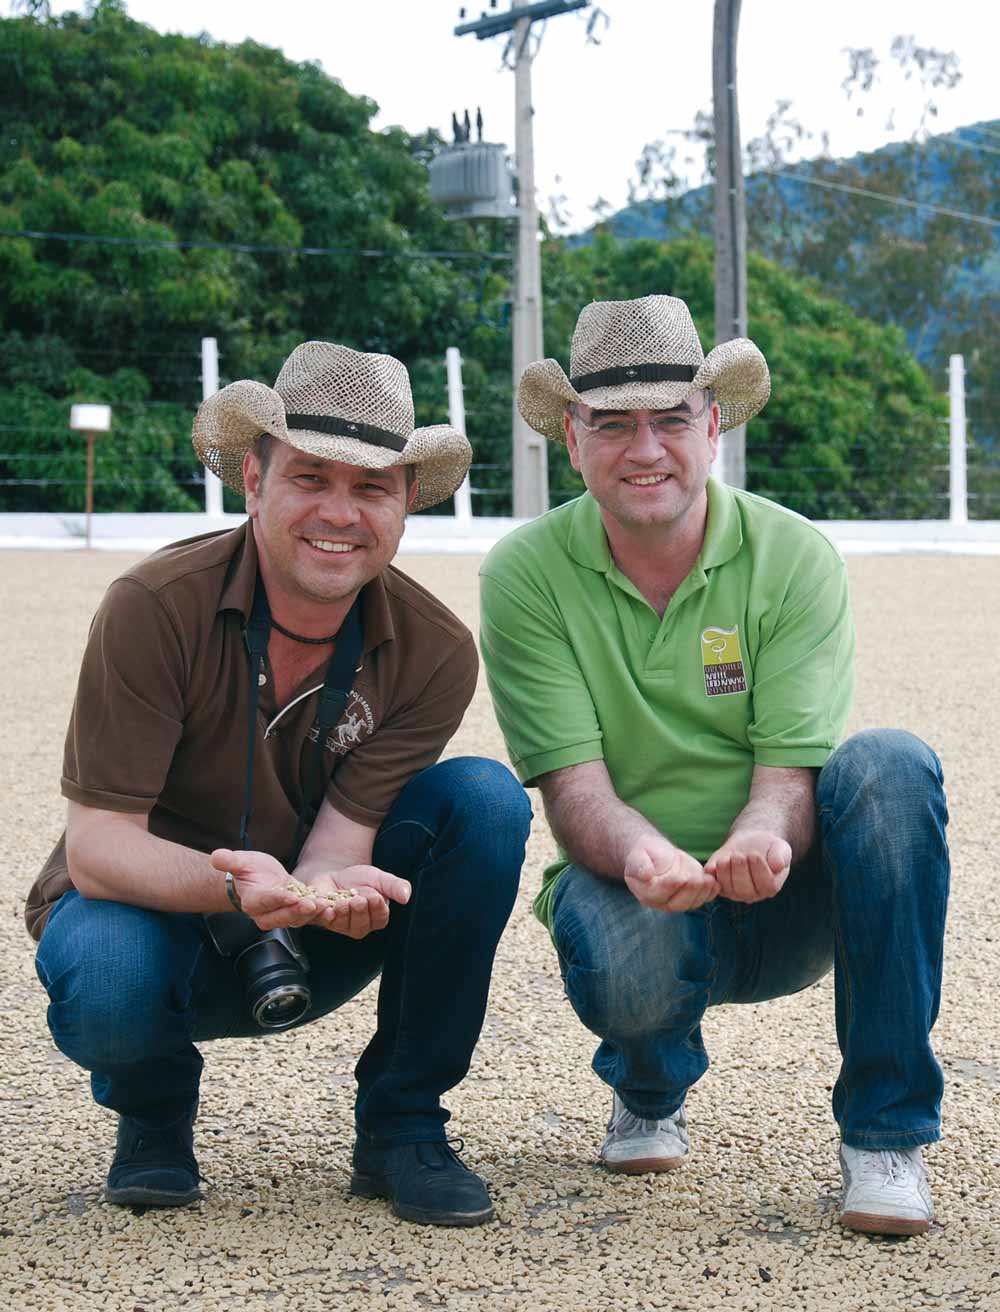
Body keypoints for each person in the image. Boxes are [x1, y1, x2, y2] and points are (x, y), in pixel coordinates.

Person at [29, 341, 531, 1228]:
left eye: (371, 485)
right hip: (154, 920)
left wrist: (318, 892)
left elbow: (341, 841)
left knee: (486, 800)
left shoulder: (438, 649)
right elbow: (98, 848)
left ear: (407, 501)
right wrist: (236, 887)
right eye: (310, 476)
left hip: (304, 925)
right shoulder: (152, 605)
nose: (340, 512)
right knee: (105, 974)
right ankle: (153, 1113)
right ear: (254, 479)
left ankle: (403, 1126)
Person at [479, 295, 950, 1236]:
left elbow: (790, 773)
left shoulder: (795, 556)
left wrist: (762, 836)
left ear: (714, 424)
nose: (644, 448)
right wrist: (646, 855)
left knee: (892, 765)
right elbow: (576, 791)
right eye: (612, 423)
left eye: (670, 418)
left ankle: (886, 1134)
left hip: (786, 894)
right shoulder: (523, 573)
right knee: (628, 952)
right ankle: (649, 1086)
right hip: (634, 889)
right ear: (571, 437)